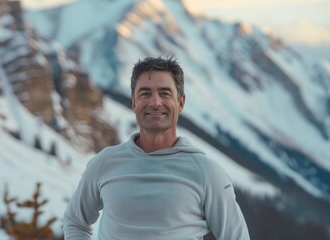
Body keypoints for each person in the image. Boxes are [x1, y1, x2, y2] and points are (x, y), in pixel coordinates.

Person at [63, 56, 250, 240]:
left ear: (181, 102)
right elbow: (75, 222)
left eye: (165, 93)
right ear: (134, 102)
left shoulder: (207, 172)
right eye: (145, 93)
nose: (155, 102)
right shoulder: (104, 163)